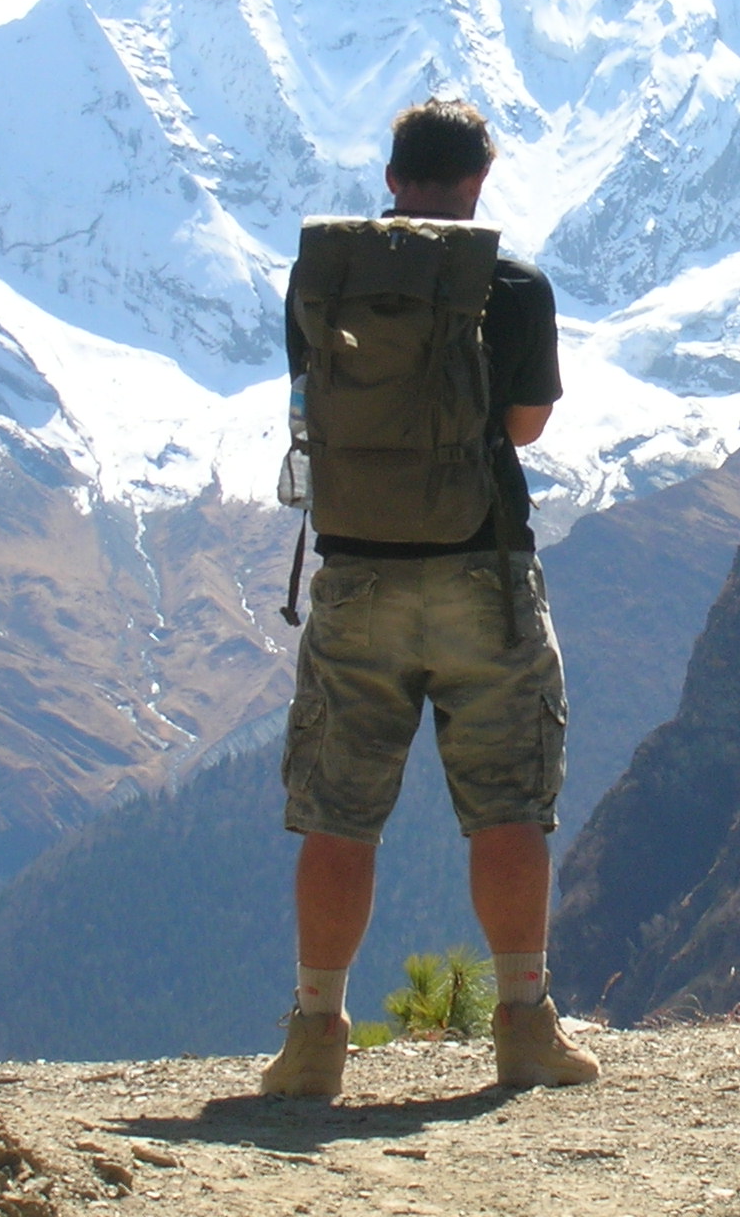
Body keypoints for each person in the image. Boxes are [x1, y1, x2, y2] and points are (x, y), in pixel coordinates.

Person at [261, 98, 599, 1096]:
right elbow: (525, 426)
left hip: (355, 570)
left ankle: (315, 1035)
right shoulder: (511, 281)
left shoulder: (326, 277)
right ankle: (523, 1024)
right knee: (505, 804)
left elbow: (310, 399)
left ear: (392, 172)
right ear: (478, 181)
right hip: (480, 569)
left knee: (338, 810)